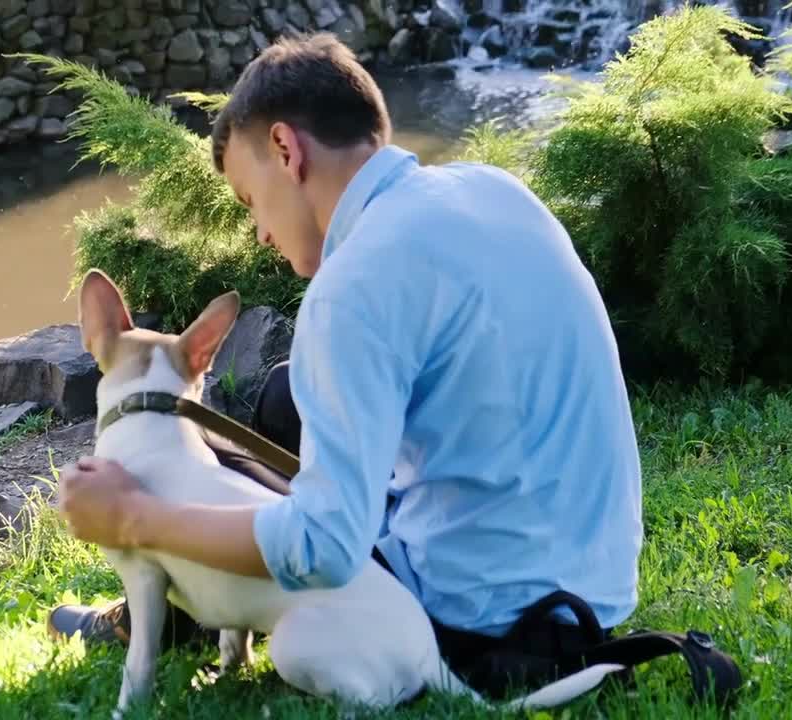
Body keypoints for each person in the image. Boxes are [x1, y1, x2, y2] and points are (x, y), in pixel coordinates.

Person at [49, 31, 645, 699]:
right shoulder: (493, 189)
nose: (259, 232)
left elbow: (322, 547)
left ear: (285, 149)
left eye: (251, 201)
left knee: (201, 471)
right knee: (282, 401)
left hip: (478, 621)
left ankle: (151, 613)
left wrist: (135, 517)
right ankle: (167, 604)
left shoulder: (352, 287)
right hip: (593, 593)